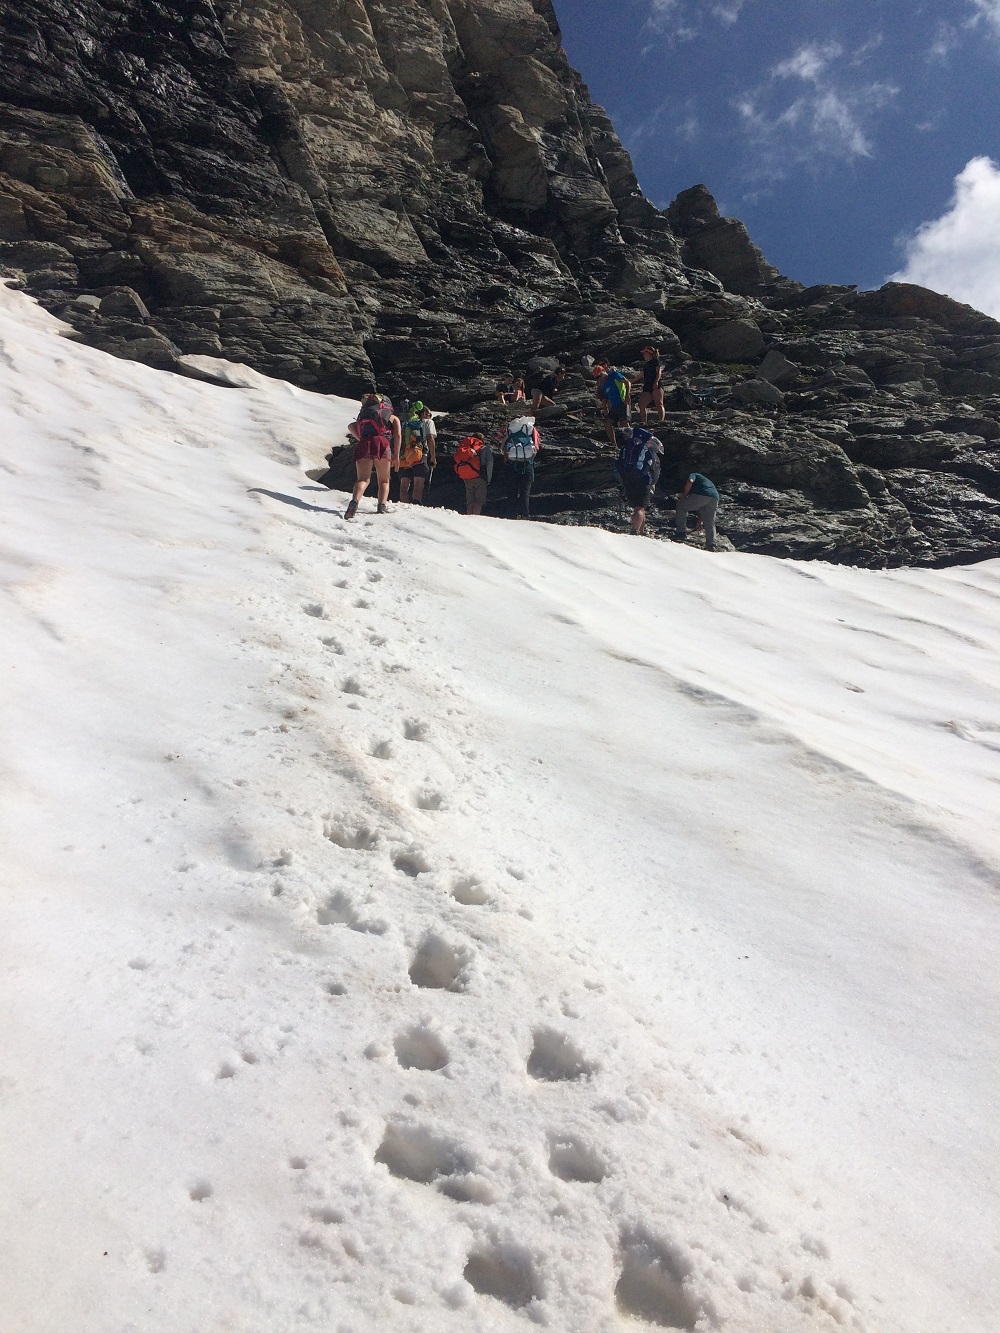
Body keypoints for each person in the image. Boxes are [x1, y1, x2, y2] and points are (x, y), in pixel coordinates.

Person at [345, 391, 400, 519]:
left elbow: (351, 426)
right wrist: (396, 455)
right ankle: (381, 506)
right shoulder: (392, 416)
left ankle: (355, 501)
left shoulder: (363, 415)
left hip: (364, 443)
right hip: (382, 443)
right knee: (384, 480)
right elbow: (397, 435)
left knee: (363, 479)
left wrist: (361, 438)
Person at [615, 425, 663, 535]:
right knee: (640, 508)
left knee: (639, 508)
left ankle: (641, 531)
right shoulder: (648, 451)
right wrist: (652, 482)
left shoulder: (626, 448)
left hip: (627, 479)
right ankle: (635, 531)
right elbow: (654, 471)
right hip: (642, 481)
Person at [397, 400, 436, 504]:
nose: (430, 417)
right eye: (429, 414)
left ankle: (404, 506)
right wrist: (433, 457)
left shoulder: (406, 422)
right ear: (424, 413)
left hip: (404, 455)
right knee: (418, 484)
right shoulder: (428, 422)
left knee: (404, 486)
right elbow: (430, 438)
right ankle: (415, 504)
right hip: (420, 454)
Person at [502, 415, 540, 519]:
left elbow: (504, 448)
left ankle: (511, 515)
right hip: (527, 465)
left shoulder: (510, 431)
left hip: (512, 465)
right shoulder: (531, 430)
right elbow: (536, 447)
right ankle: (525, 515)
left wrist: (507, 463)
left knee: (512, 492)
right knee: (525, 492)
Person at [673, 471, 720, 550]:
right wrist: (700, 520)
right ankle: (711, 544)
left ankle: (681, 533)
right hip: (715, 498)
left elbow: (690, 481)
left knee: (681, 507)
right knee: (710, 522)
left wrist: (684, 495)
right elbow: (703, 508)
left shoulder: (694, 474)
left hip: (703, 494)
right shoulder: (706, 482)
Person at [453, 434, 494, 515]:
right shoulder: (484, 449)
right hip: (480, 477)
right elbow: (490, 463)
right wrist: (488, 479)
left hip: (467, 478)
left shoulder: (465, 448)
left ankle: (469, 516)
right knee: (479, 501)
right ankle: (475, 517)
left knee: (470, 501)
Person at [594, 364, 631, 445]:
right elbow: (606, 400)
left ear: (604, 371)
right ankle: (613, 444)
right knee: (607, 423)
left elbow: (627, 382)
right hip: (614, 407)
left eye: (600, 376)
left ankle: (630, 442)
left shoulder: (614, 375)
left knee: (624, 423)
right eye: (597, 378)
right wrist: (606, 410)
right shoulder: (603, 386)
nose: (599, 378)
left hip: (622, 402)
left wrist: (627, 395)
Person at [638, 346, 665, 423]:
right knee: (642, 405)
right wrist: (631, 381)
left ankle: (661, 421)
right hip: (647, 386)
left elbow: (659, 372)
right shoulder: (646, 365)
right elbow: (640, 375)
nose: (643, 355)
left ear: (649, 353)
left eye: (644, 353)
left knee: (659, 403)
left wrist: (656, 381)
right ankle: (644, 422)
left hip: (655, 384)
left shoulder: (656, 361)